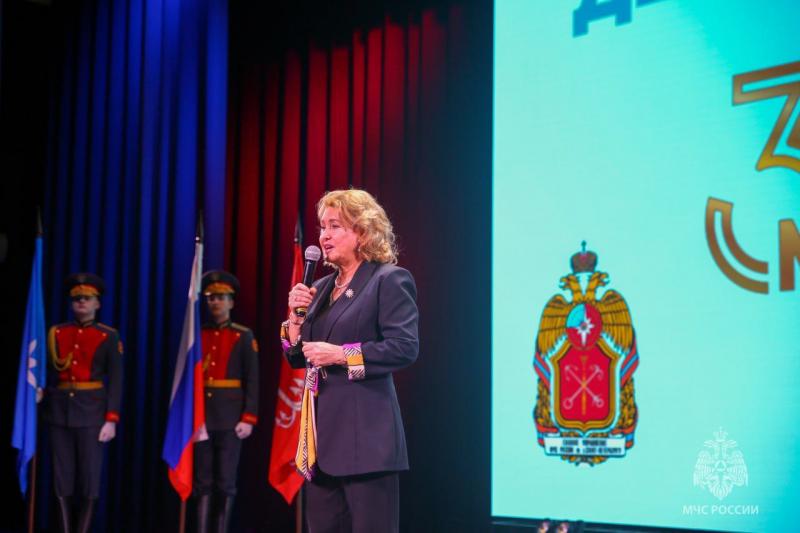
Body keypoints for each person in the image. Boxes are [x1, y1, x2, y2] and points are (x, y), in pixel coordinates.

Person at [282, 189, 419, 533]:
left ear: (363, 232)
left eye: (335, 226)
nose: (324, 236)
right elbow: (298, 357)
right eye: (322, 227)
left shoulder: (388, 279)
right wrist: (295, 321)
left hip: (367, 444)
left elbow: (404, 347)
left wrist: (341, 354)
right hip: (322, 446)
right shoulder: (321, 287)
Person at [44, 273, 123, 533]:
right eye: (77, 298)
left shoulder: (108, 336)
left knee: (89, 480)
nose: (81, 302)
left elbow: (116, 380)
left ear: (97, 303)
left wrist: (111, 419)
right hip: (59, 412)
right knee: (62, 478)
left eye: (87, 298)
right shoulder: (57, 333)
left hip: (92, 413)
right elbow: (47, 370)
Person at [195, 270, 259, 533]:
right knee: (202, 481)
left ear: (231, 302)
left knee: (225, 481)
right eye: (211, 297)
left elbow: (252, 379)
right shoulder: (197, 334)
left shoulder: (243, 336)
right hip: (202, 417)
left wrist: (249, 417)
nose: (215, 302)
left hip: (231, 419)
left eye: (221, 297)